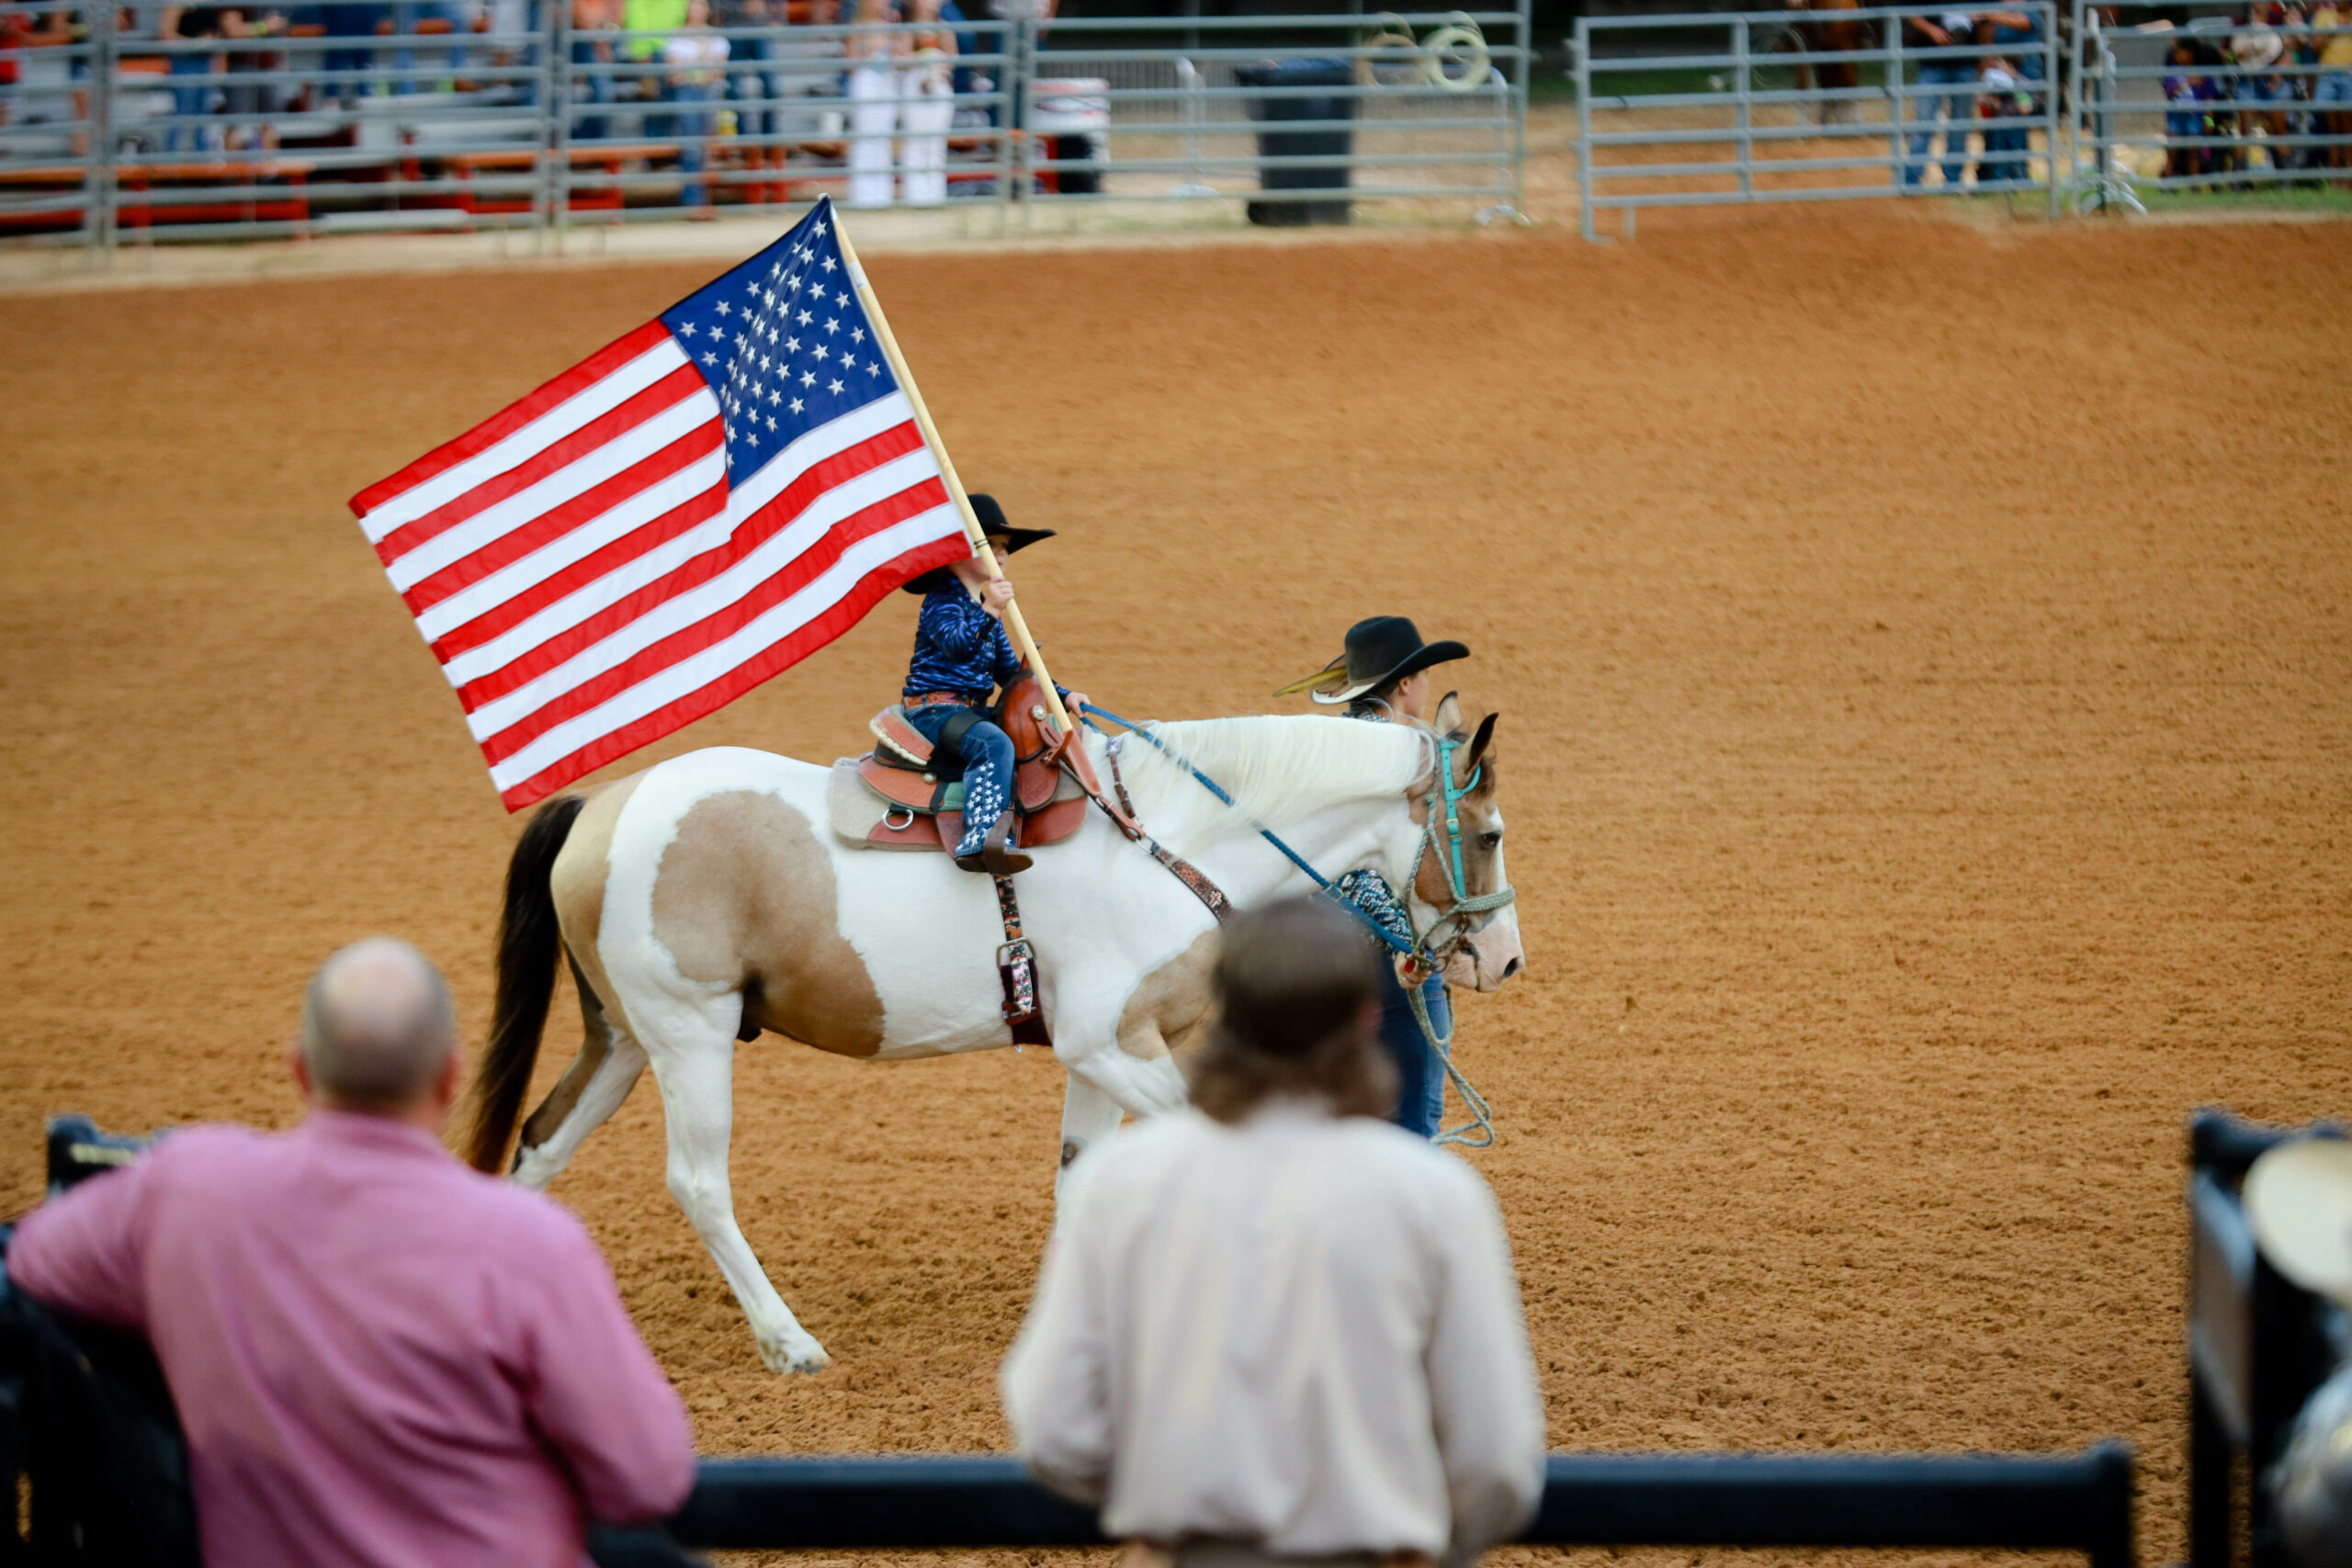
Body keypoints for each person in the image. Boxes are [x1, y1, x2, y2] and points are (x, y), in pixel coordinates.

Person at [6, 937, 697, 1568]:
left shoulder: (186, 1189)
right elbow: (650, 1474)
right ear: (450, 1080)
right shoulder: (529, 1243)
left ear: (301, 1071)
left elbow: (30, 1263)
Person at [1000, 896, 1547, 1568]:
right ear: (1366, 1019)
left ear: (1226, 1009)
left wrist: (1153, 1507)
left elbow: (1054, 1426)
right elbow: (1495, 1461)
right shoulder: (1436, 1196)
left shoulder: (1118, 1182)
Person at [1274, 615, 1468, 1139]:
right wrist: (1404, 940)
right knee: (1414, 1119)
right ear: (1405, 684)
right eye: (1422, 674)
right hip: (1385, 961)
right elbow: (1364, 869)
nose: (1426, 685)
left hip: (1313, 951)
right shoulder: (1401, 755)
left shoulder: (1326, 747)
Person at [898, 494, 1083, 874]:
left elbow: (1009, 673)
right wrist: (990, 609)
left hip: (969, 711)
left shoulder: (985, 610)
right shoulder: (942, 599)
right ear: (956, 550)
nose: (1001, 555)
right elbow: (956, 644)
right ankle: (981, 836)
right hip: (935, 711)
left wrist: (1062, 696)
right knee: (992, 743)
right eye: (989, 545)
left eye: (1004, 548)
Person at [1904, 8, 1979, 189]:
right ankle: (1911, 180)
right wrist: (1931, 29)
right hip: (1931, 63)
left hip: (1966, 64)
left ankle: (1953, 179)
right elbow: (1909, 11)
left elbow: (1989, 16)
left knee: (1960, 125)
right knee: (1924, 123)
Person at [664, 0, 728, 206]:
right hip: (688, 94)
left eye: (700, 6)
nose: (696, 10)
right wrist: (701, 66)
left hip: (708, 94)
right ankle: (692, 200)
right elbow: (674, 76)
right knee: (692, 148)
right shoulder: (677, 38)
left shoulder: (716, 38)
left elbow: (719, 72)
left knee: (705, 149)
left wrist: (691, 68)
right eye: (693, 6)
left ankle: (703, 200)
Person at [898, 0, 954, 205]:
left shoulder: (944, 28)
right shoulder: (907, 29)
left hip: (939, 86)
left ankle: (935, 196)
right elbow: (899, 58)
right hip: (913, 87)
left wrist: (937, 64)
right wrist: (923, 59)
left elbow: (952, 59)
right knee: (914, 143)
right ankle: (915, 196)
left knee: (936, 143)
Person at [844, 0, 899, 206]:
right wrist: (875, 46)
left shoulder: (892, 25)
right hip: (865, 81)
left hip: (887, 82)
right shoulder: (857, 26)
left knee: (883, 139)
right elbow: (850, 61)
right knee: (865, 138)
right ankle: (863, 197)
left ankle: (882, 197)